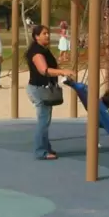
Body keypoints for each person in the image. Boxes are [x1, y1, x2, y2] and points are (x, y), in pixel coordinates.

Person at [25, 25, 75, 160]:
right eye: (44, 33)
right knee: (43, 121)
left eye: (48, 33)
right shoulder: (36, 52)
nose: (47, 35)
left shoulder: (44, 50)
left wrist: (63, 72)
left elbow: (53, 67)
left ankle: (45, 148)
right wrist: (62, 72)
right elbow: (44, 70)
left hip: (43, 88)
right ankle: (40, 151)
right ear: (37, 36)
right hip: (39, 89)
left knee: (45, 120)